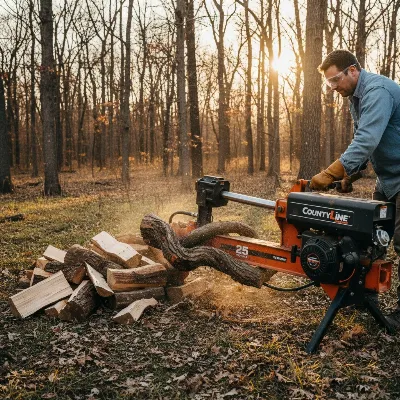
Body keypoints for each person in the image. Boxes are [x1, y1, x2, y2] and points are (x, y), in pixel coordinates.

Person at [310, 49, 400, 327]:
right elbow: (367, 145)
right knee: (371, 236)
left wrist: (329, 173)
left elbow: (366, 140)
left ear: (353, 70)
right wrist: (351, 176)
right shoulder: (355, 97)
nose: (334, 87)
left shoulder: (377, 91)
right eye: (329, 83)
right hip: (387, 178)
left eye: (336, 79)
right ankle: (365, 296)